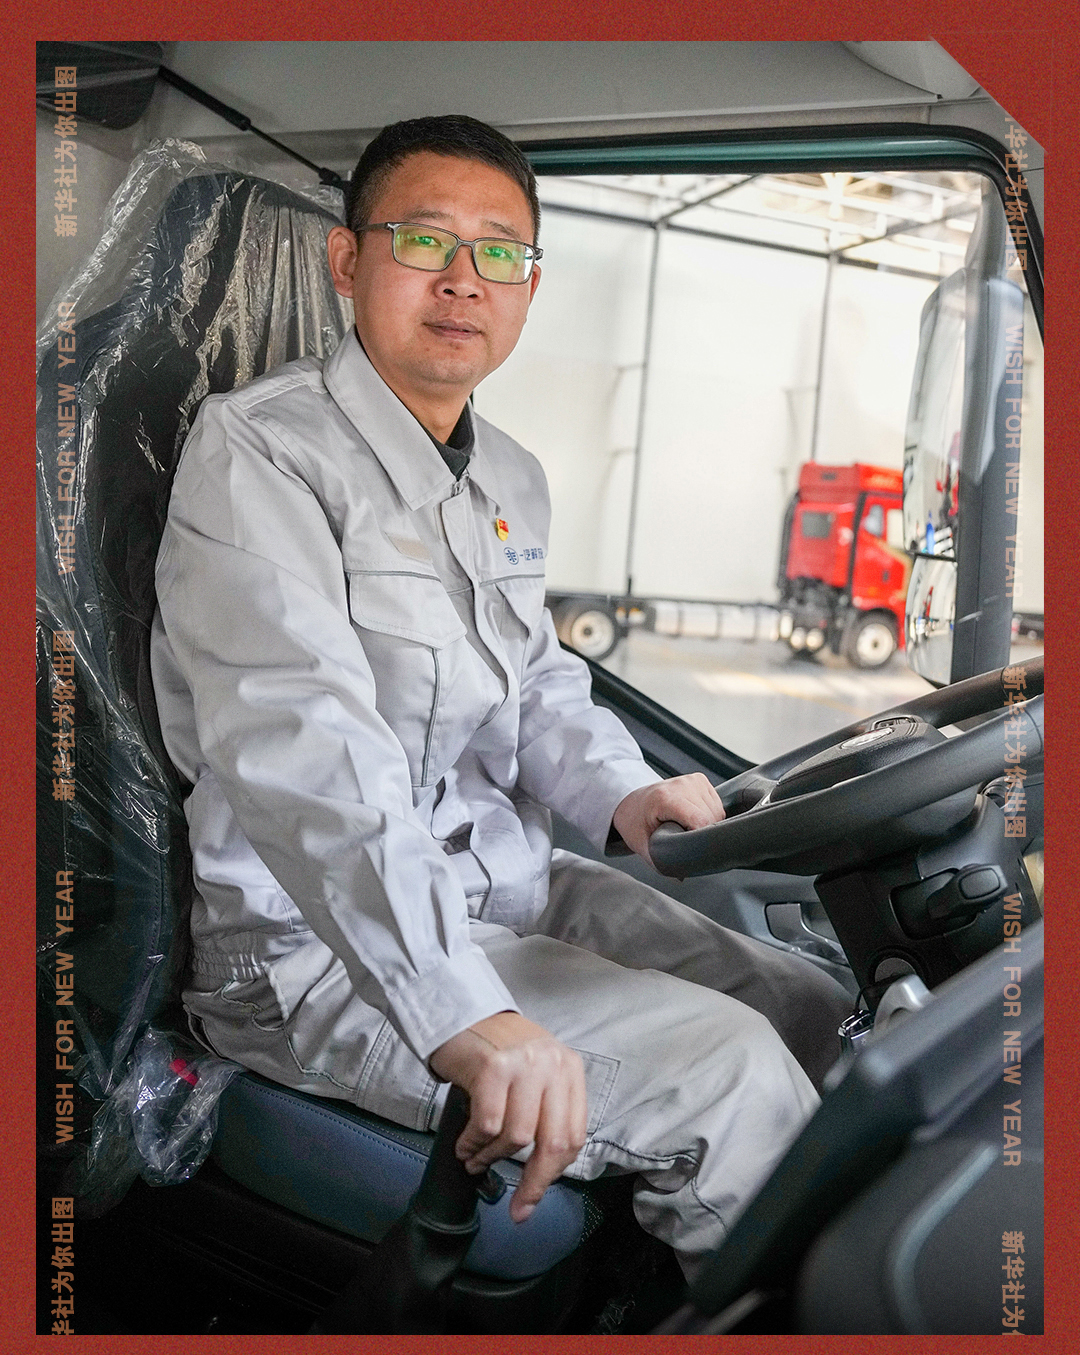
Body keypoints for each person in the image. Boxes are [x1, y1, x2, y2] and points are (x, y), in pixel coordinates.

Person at [151, 114, 851, 1282]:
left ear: (530, 284)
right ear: (347, 261)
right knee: (729, 1071)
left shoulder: (509, 472)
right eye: (426, 240)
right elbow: (307, 755)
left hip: (508, 889)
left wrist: (627, 792)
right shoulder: (259, 455)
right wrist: (461, 1009)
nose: (464, 279)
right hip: (310, 948)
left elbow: (535, 683)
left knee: (806, 1003)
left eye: (501, 252)